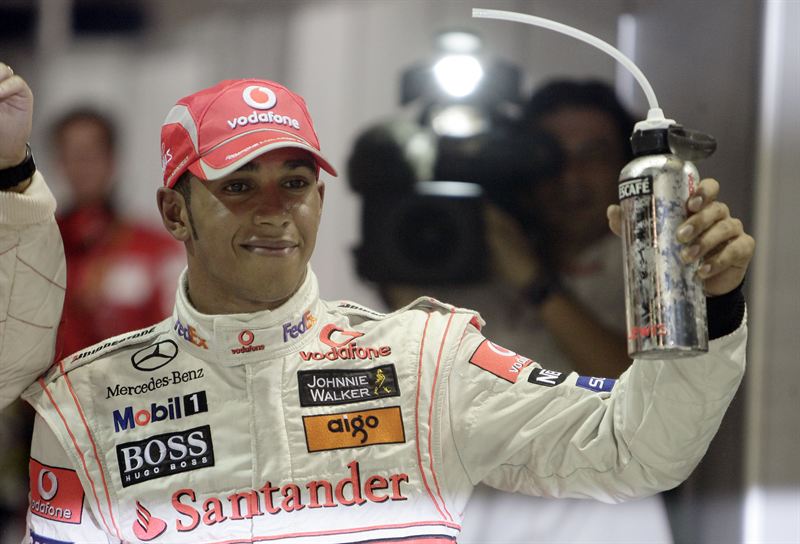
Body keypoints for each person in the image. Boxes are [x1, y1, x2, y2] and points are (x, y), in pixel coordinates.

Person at [0, 64, 755, 544]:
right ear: (175, 211)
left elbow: (636, 449)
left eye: (295, 183)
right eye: (239, 185)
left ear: (320, 199)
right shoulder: (87, 403)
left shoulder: (425, 360)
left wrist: (710, 304)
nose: (274, 211)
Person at [51, 107, 183, 357]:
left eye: (92, 153)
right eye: (72, 154)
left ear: (112, 159)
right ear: (59, 162)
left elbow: (176, 340)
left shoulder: (156, 249)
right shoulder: (39, 246)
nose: (83, 165)